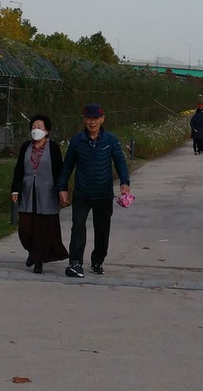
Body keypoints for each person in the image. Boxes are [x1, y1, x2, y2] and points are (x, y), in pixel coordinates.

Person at [56, 103, 131, 278]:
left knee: (102, 230)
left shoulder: (110, 140)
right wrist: (62, 187)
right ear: (84, 120)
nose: (92, 122)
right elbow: (67, 166)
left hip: (103, 194)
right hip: (82, 193)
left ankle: (98, 260)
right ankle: (75, 263)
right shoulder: (76, 141)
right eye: (89, 118)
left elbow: (120, 162)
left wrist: (125, 182)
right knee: (78, 228)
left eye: (96, 118)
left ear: (102, 119)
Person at [11, 114, 69, 274]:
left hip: (47, 192)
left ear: (47, 130)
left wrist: (62, 189)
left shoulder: (53, 148)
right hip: (28, 191)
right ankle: (31, 251)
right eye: (33, 127)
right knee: (25, 228)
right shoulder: (25, 147)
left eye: (39, 127)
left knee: (43, 228)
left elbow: (59, 170)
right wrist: (15, 189)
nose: (36, 130)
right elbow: (19, 170)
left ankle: (38, 260)